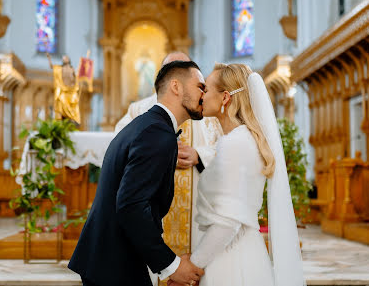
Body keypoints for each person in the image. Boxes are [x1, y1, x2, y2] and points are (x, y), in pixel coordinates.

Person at [68, 60, 206, 286]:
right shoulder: (156, 133)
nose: (204, 94)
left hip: (111, 259)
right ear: (176, 87)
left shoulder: (147, 125)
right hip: (116, 266)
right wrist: (172, 266)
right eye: (200, 86)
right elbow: (131, 206)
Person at [169, 63, 305, 286]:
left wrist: (193, 265)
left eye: (207, 90)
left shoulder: (236, 144)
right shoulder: (239, 140)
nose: (201, 96)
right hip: (236, 252)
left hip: (231, 261)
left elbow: (227, 222)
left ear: (225, 98)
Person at [115, 52, 223, 256]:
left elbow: (226, 148)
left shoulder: (205, 111)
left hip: (196, 204)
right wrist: (160, 157)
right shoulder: (139, 110)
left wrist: (199, 155)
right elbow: (118, 150)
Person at [47, 53, 81, 124]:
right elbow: (51, 66)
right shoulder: (60, 69)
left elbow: (76, 79)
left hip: (71, 91)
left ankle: (72, 119)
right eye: (63, 58)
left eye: (66, 58)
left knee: (73, 104)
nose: (64, 59)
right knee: (61, 103)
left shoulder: (72, 69)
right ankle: (62, 118)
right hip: (63, 90)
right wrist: (49, 58)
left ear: (69, 60)